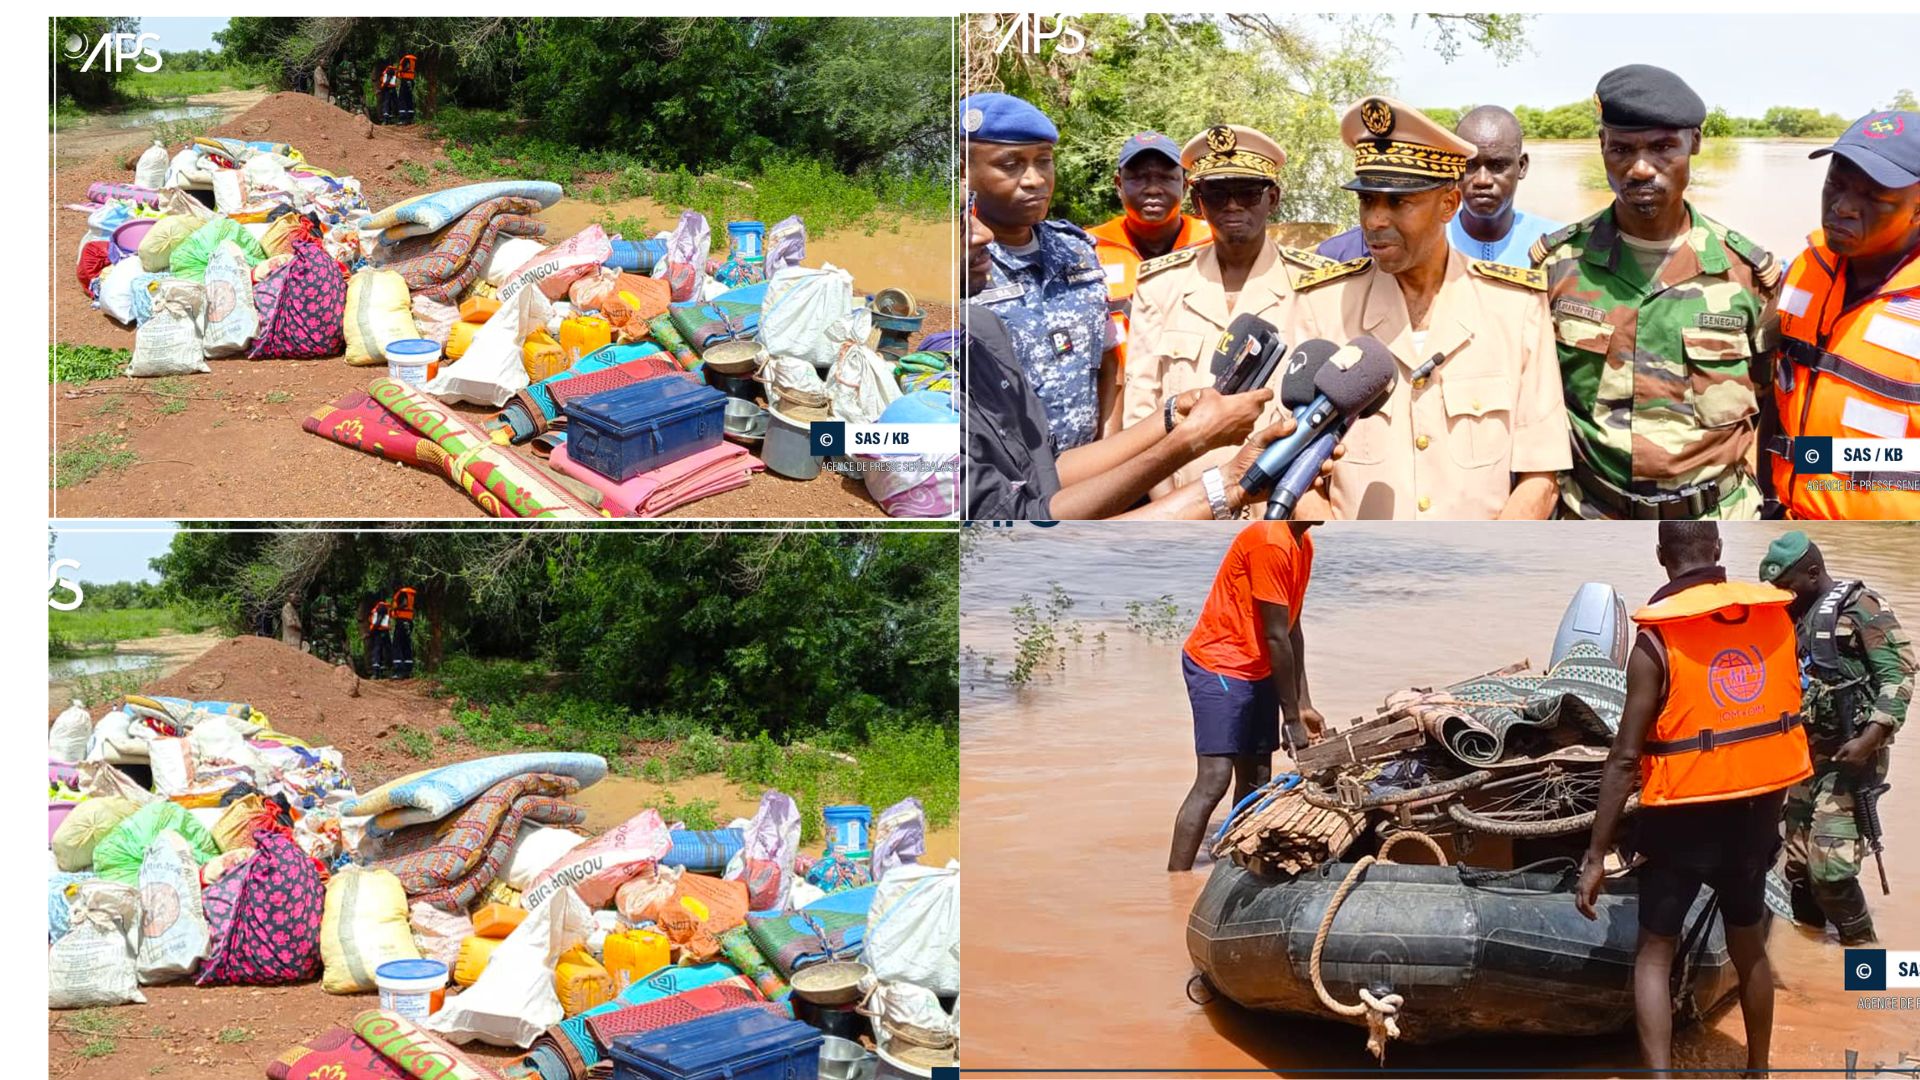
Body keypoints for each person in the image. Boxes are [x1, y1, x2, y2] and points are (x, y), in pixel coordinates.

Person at [1577, 520, 1812, 1078]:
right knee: (1749, 946)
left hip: (1681, 819)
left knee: (1654, 956)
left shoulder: (1657, 639)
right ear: (1719, 551)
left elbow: (1623, 759)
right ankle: (1757, 1070)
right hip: (1754, 815)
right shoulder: (1772, 618)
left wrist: (1594, 857)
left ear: (1662, 557)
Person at [1290, 96, 1570, 520]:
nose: (1375, 220)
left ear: (1448, 205)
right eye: (1368, 200)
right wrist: (1343, 560)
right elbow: (1297, 475)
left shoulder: (1516, 308)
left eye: (1398, 203)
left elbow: (1540, 478)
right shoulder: (1320, 306)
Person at [965, 206, 1327, 520]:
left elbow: (1046, 471)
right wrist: (1209, 463)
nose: (984, 232)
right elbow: (1029, 523)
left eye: (974, 210)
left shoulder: (983, 332)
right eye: (962, 221)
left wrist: (1171, 417)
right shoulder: (920, 407)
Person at [1534, 65, 1782, 521]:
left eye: (1663, 147)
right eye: (1622, 150)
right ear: (1603, 149)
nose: (1641, 168)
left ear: (1696, 143)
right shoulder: (1555, 266)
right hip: (1588, 516)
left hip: (1719, 520)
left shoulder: (1748, 275)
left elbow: (1771, 403)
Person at [1127, 124, 1334, 498]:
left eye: (1248, 192)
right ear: (1197, 201)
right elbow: (1141, 413)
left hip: (1277, 502)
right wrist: (1167, 513)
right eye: (1217, 193)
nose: (1233, 205)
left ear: (1273, 198)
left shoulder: (1317, 283)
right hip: (1181, 505)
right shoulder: (1160, 286)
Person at [1762, 109, 1920, 519]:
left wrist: (1823, 458)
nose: (1843, 207)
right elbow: (1778, 397)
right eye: (1835, 184)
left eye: (1873, 196)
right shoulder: (1804, 269)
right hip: (1791, 519)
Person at [1759, 531, 1913, 944]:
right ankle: (1817, 965)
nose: (1782, 594)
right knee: (1796, 865)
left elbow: (1899, 675)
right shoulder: (1790, 616)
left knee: (1832, 869)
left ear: (1813, 572)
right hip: (1804, 757)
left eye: (1787, 585)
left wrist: (1872, 737)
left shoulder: (1862, 606)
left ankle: (1868, 964)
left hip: (1852, 753)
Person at [961, 92, 1111, 453]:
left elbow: (1107, 363)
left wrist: (1109, 451)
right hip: (1007, 488)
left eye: (1044, 161)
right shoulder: (964, 266)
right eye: (1010, 165)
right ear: (965, 174)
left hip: (1092, 474)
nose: (1035, 180)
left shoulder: (1078, 251)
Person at [1169, 520, 1320, 872]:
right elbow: (1275, 637)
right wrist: (1292, 721)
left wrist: (1303, 704)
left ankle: (1234, 869)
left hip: (1260, 667)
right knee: (1215, 778)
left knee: (1256, 780)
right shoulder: (1271, 541)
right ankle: (1174, 884)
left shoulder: (1302, 542)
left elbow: (1291, 627)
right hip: (1219, 664)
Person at [1315, 106, 1558, 268]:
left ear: (1522, 166)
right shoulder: (1421, 241)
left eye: (1497, 165)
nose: (1483, 180)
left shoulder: (1559, 246)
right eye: (1469, 166)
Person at [1088, 132, 1213, 435]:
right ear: (1119, 184)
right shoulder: (1086, 248)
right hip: (1113, 411)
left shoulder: (1215, 243)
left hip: (1198, 405)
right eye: (1139, 178)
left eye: (1166, 177)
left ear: (1185, 184)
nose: (1153, 188)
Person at [391, 583, 418, 679]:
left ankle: (399, 670)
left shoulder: (402, 593)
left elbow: (404, 604)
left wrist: (395, 608)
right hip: (409, 621)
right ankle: (408, 670)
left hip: (401, 621)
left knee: (397, 645)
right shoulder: (411, 594)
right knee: (406, 645)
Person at [367, 593, 394, 679]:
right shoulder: (381, 606)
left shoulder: (381, 606)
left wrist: (371, 631)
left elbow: (379, 619)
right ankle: (383, 671)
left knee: (377, 651)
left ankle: (376, 673)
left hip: (380, 631)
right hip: (382, 631)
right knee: (384, 650)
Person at [395, 52, 418, 124]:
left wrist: (400, 71)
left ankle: (403, 118)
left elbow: (406, 68)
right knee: (409, 99)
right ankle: (410, 118)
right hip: (411, 80)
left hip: (405, 80)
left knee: (402, 99)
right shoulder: (413, 60)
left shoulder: (406, 59)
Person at [376, 60, 399, 124]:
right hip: (392, 88)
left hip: (388, 89)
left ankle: (386, 119)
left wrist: (381, 89)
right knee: (393, 102)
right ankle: (393, 117)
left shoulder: (389, 70)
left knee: (386, 103)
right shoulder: (393, 70)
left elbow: (388, 80)